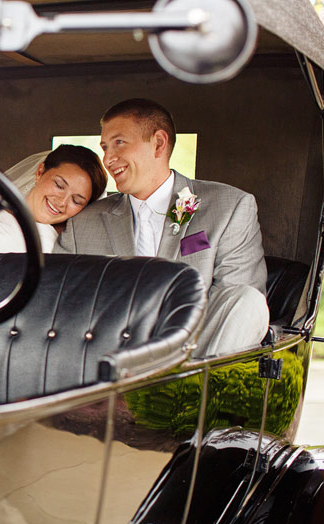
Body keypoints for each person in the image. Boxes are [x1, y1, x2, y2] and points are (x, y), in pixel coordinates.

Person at [55, 98, 269, 356]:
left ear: (158, 143)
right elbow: (62, 302)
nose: (108, 158)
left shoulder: (229, 207)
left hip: (195, 354)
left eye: (119, 143)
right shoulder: (83, 223)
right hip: (108, 358)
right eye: (104, 147)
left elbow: (235, 306)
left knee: (248, 300)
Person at [0, 144, 107, 253]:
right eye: (59, 185)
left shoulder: (68, 245)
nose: (61, 202)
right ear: (40, 172)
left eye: (76, 201)